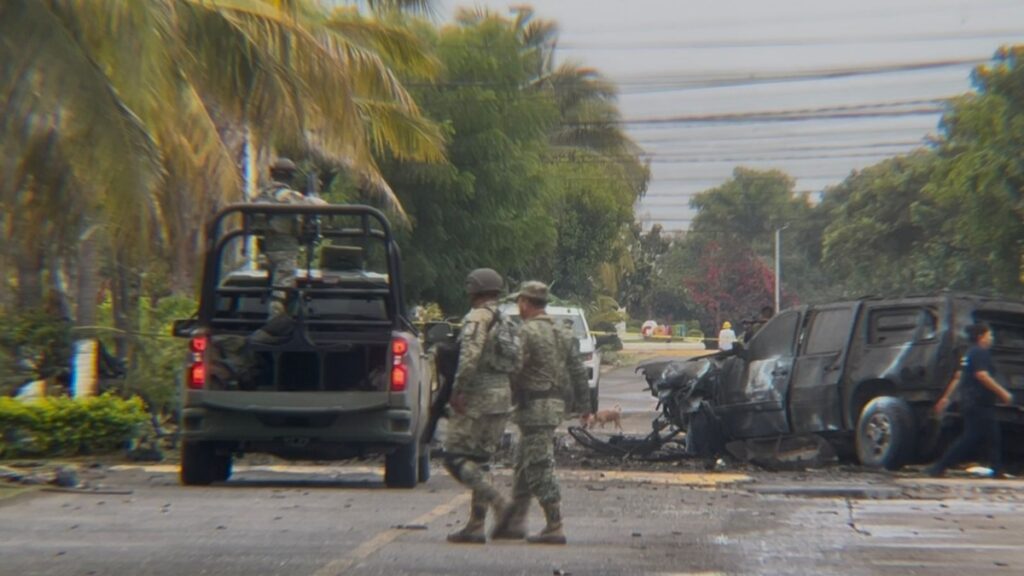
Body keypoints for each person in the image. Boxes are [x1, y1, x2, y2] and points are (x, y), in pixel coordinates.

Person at [491, 281, 591, 545]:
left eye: (519, 302)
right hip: (554, 405)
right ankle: (515, 522)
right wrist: (585, 407)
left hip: (534, 407)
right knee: (523, 462)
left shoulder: (527, 332)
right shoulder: (562, 332)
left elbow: (515, 368)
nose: (518, 306)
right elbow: (578, 370)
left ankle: (554, 524)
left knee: (538, 466)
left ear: (526, 302)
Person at [443, 268, 513, 544]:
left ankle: (499, 502)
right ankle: (475, 525)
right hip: (501, 396)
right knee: (481, 461)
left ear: (473, 289)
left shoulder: (477, 318)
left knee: (455, 456)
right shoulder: (506, 320)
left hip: (477, 397)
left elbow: (469, 357)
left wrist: (458, 390)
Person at [925, 323, 1014, 478]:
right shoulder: (980, 352)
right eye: (989, 335)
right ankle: (939, 467)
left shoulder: (969, 353)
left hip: (972, 402)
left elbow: (958, 377)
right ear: (981, 337)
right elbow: (982, 375)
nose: (991, 338)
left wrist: (946, 397)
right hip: (978, 402)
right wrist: (1003, 393)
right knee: (971, 437)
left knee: (992, 436)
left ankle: (997, 470)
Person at [255, 158, 325, 319]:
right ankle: (274, 324)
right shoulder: (288, 197)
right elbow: (313, 204)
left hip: (266, 248)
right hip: (285, 249)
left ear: (273, 174)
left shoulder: (261, 196)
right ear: (290, 177)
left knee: (275, 284)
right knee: (280, 292)